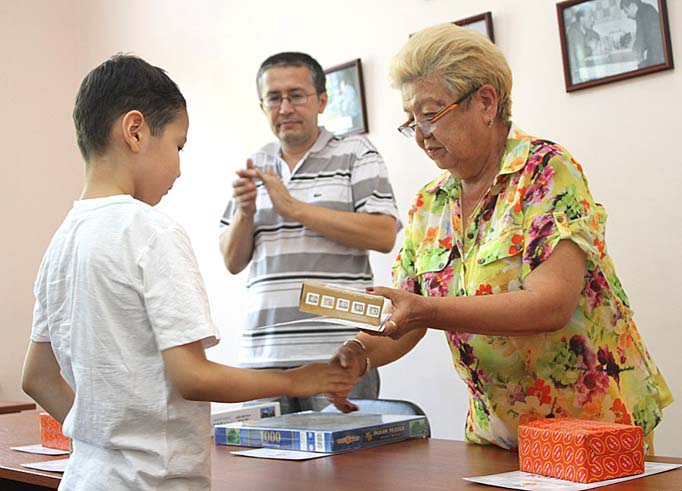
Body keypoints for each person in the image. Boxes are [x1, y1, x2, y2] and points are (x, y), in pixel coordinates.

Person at [329, 23, 673, 452]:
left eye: (430, 114)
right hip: (497, 434)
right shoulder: (429, 205)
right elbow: (406, 317)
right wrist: (356, 354)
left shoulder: (545, 170)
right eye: (410, 121)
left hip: (592, 429)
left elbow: (550, 304)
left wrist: (426, 311)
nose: (419, 134)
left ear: (486, 102)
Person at [21, 54, 353, 490]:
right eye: (178, 146)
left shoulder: (62, 240)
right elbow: (193, 377)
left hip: (87, 477)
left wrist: (102, 441)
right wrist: (296, 379)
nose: (179, 168)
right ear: (135, 131)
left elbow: (37, 377)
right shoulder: (151, 231)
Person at [219, 52, 400, 414]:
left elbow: (383, 234)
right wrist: (245, 213)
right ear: (262, 106)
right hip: (263, 356)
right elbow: (232, 261)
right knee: (264, 452)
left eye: (296, 95)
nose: (285, 107)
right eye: (274, 98)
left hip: (339, 354)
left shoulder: (356, 152)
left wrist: (293, 208)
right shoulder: (258, 162)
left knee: (344, 452)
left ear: (322, 100)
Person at [621, 0, 665, 68]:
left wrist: (634, 51)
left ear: (632, 5)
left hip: (658, 57)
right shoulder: (646, 9)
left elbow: (640, 40)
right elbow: (643, 36)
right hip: (659, 54)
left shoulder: (641, 13)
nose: (627, 16)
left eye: (626, 11)